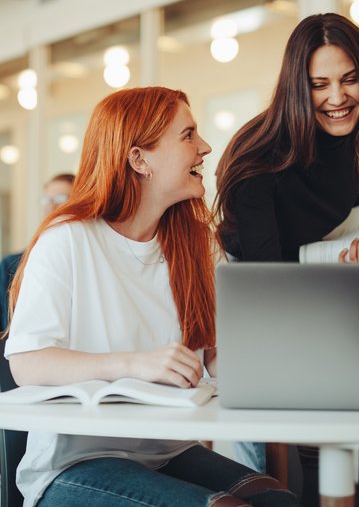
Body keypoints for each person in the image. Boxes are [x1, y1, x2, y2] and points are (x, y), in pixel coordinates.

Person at [3, 87, 301, 507]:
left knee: (280, 501)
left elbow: (213, 355)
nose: (205, 147)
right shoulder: (66, 240)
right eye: (188, 135)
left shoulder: (197, 244)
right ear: (139, 159)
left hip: (168, 451)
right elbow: (27, 362)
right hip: (75, 465)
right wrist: (133, 364)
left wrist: (275, 365)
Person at [213, 13, 359, 504]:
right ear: (297, 86)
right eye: (320, 84)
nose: (338, 97)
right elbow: (269, 282)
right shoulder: (259, 157)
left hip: (318, 299)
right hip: (252, 310)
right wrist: (340, 275)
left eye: (350, 79)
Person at [0, 173, 75, 331]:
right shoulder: (10, 265)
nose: (50, 206)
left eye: (61, 199)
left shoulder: (85, 261)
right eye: (46, 200)